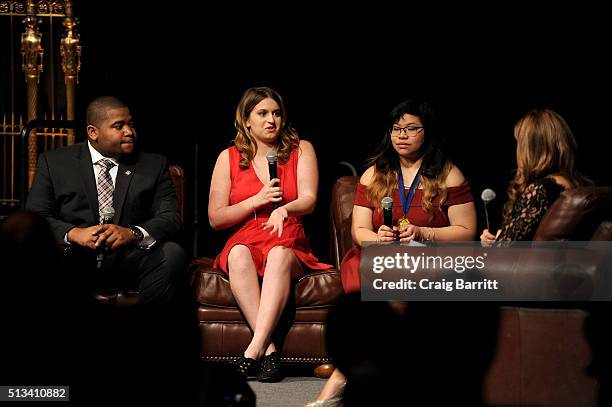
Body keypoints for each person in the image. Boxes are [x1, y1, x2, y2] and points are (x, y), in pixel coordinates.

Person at [25, 96, 194, 402]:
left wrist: (132, 233)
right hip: (74, 259)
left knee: (172, 255)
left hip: (131, 257)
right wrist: (73, 233)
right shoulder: (56, 162)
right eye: (119, 126)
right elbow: (35, 217)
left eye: (130, 124)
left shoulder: (152, 164)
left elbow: (171, 218)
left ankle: (145, 350)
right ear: (93, 132)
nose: (130, 131)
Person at [309, 99, 477, 406]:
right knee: (368, 268)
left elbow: (467, 231)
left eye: (412, 128)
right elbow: (359, 231)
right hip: (379, 256)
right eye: (397, 128)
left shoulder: (448, 174)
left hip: (427, 255)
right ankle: (359, 365)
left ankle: (345, 375)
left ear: (428, 133)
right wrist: (378, 238)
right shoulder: (374, 174)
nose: (402, 135)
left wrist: (424, 232)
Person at [208, 86, 331, 382]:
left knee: (277, 255)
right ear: (246, 120)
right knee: (236, 252)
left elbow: (310, 198)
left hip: (287, 235)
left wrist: (283, 209)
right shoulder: (229, 157)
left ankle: (252, 352)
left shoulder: (302, 149)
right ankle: (269, 350)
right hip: (247, 238)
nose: (271, 120)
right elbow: (215, 217)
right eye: (262, 113)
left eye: (276, 113)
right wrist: (257, 201)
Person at [480, 109, 591, 244]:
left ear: (530, 149)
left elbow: (504, 248)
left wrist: (494, 242)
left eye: (519, 144)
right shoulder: (576, 184)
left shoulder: (540, 190)